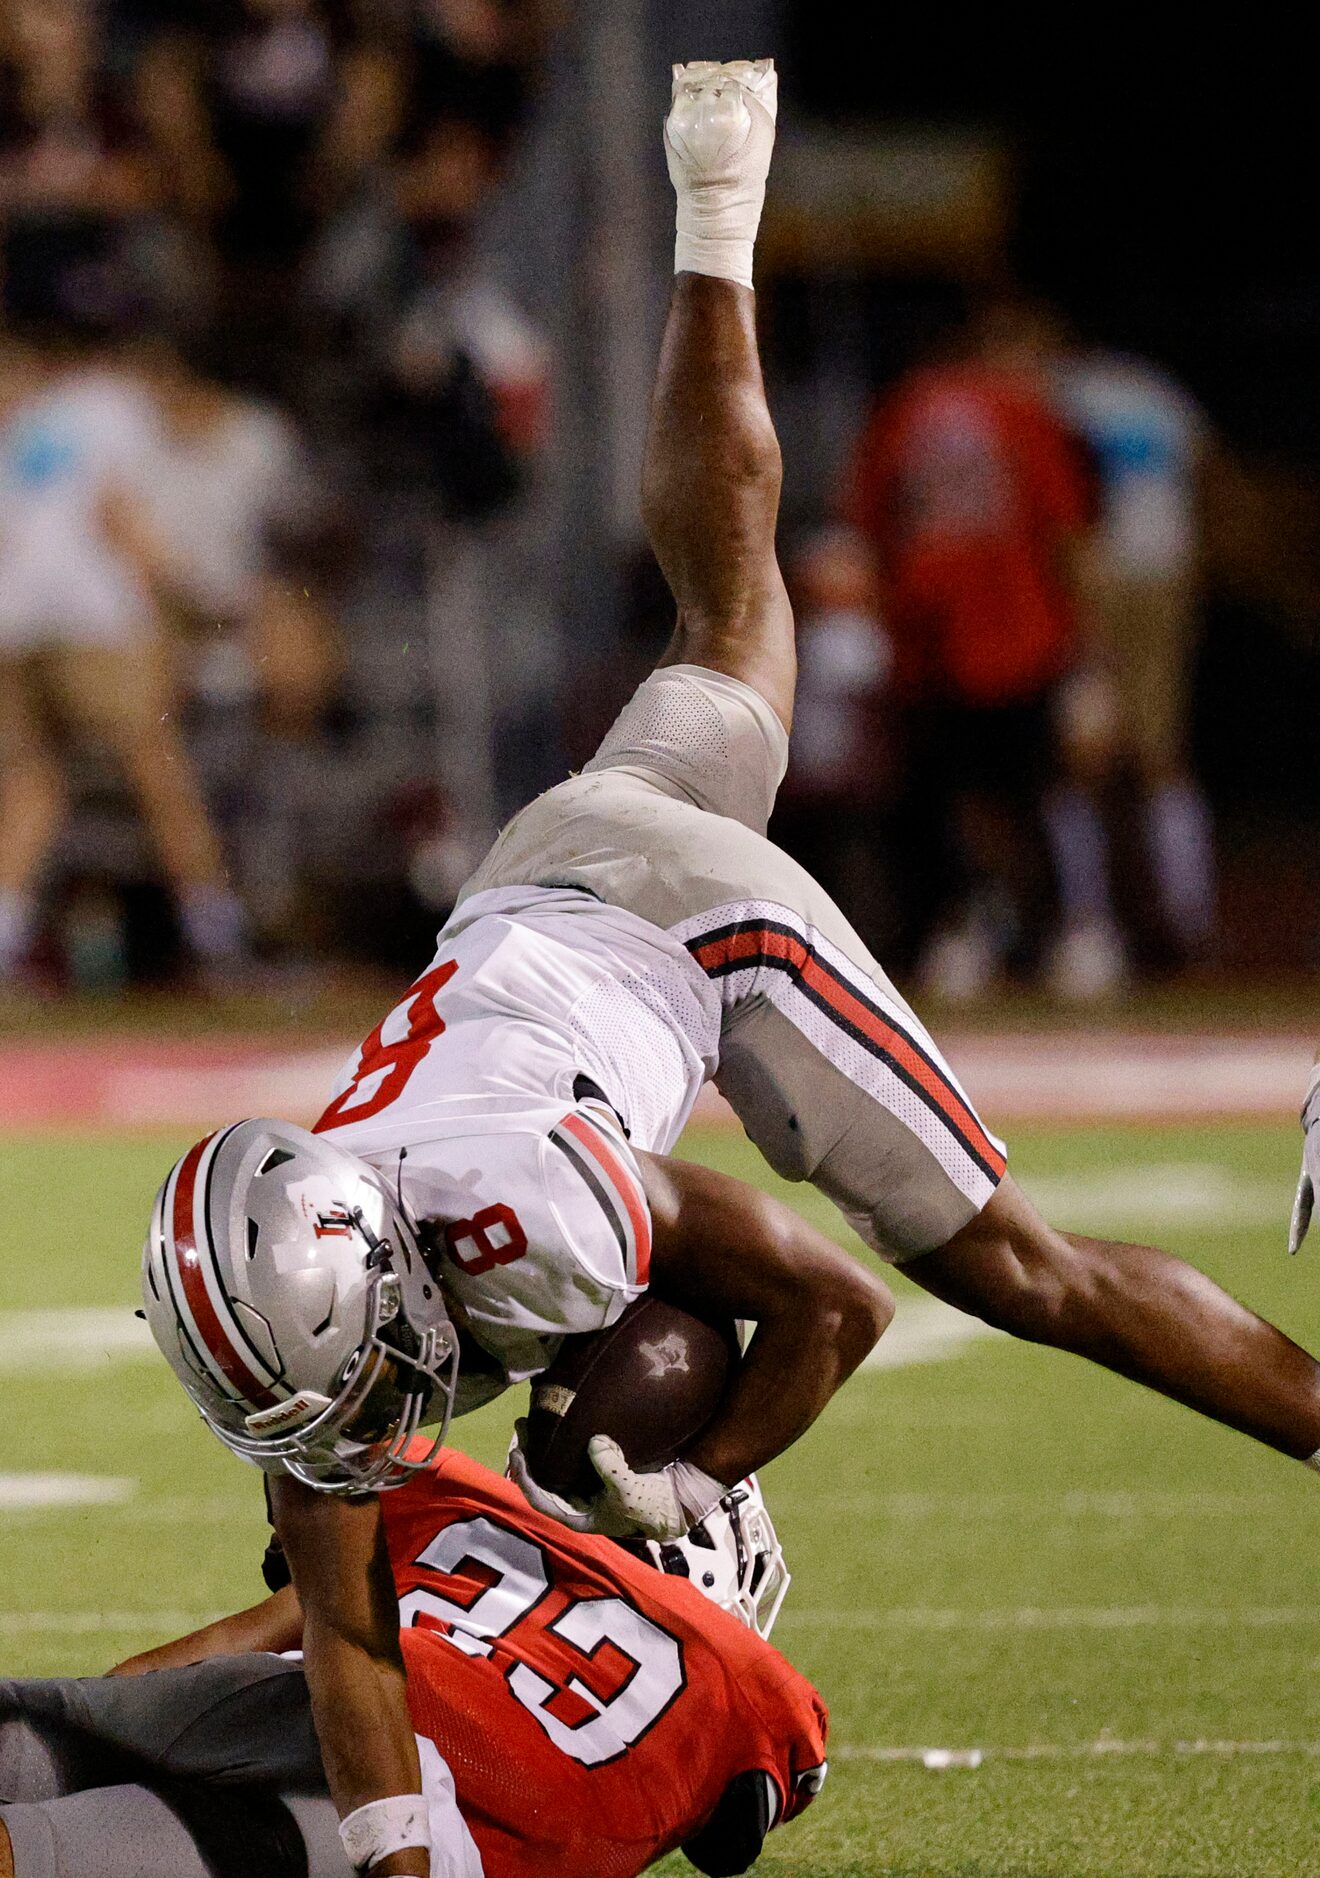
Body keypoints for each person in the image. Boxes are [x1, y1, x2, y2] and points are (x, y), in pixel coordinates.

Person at [141, 59, 1320, 1878]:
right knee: (728, 613)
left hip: (690, 925)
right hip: (535, 889)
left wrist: (690, 1484)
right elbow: (346, 1629)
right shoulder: (315, 1310)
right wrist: (391, 1859)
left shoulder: (540, 1219)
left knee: (1019, 1266)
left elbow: (834, 1306)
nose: (317, 1437)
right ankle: (718, 191)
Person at [0, 1446, 825, 1878]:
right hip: (420, 1828)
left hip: (311, 1697)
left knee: (30, 1740)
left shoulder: (466, 1511)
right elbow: (730, 1843)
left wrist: (88, 1720)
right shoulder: (747, 1682)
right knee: (48, 1855)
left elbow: (232, 1644)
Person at [843, 297, 1094, 999]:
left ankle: (966, 930)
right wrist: (1086, 646)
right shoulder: (1018, 410)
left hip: (933, 636)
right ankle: (1059, 935)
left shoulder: (902, 411)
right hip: (1019, 633)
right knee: (1031, 798)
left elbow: (868, 529)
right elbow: (1065, 529)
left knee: (950, 799)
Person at [0, 336, 249, 983]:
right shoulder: (115, 404)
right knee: (159, 769)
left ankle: (3, 935)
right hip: (92, 617)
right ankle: (217, 935)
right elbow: (120, 518)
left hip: (16, 619)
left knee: (35, 782)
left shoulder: (31, 408)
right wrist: (194, 597)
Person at [1049, 340, 1216, 977]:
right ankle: (1187, 918)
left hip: (1100, 576)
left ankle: (1090, 925)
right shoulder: (1158, 390)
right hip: (1167, 573)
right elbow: (1205, 480)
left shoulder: (1065, 394)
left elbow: (1060, 500)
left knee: (1082, 756)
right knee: (1159, 755)